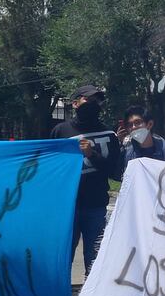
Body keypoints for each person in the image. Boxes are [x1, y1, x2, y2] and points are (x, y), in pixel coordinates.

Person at [50, 85, 121, 278]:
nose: (93, 104)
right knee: (63, 259)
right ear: (75, 103)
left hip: (96, 207)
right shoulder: (61, 131)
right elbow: (52, 169)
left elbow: (115, 172)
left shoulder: (108, 134)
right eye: (88, 100)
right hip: (67, 207)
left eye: (97, 101)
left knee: (95, 261)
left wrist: (92, 154)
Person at [117, 105, 165, 170]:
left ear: (150, 124)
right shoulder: (126, 154)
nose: (133, 127)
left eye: (137, 122)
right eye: (130, 125)